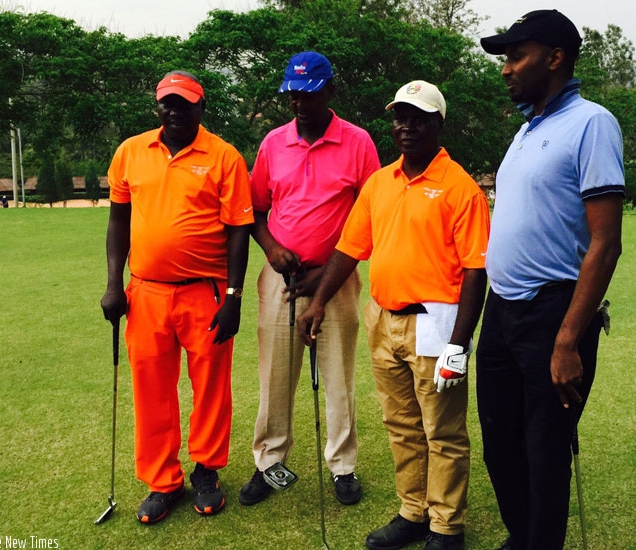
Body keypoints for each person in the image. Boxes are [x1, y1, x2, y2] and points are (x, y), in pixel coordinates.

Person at [297, 80, 491, 550]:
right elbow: (348, 249)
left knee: (441, 431)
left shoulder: (460, 188)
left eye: (418, 118)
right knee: (401, 425)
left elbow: (475, 271)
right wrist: (319, 300)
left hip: (436, 322)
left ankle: (446, 526)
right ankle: (413, 510)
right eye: (400, 117)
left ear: (438, 124)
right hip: (382, 319)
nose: (407, 127)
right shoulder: (380, 182)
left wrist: (459, 345)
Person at [477, 10, 624, 550]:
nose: (506, 69)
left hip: (553, 312)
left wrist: (568, 338)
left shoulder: (592, 123)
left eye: (517, 57)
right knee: (500, 444)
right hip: (503, 308)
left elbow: (606, 241)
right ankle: (524, 537)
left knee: (544, 451)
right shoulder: (526, 129)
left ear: (555, 58)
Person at [100, 70, 253, 524]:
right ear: (158, 107)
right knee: (152, 389)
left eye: (184, 103)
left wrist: (234, 296)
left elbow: (239, 231)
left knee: (210, 388)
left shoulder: (224, 156)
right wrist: (113, 283)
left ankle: (206, 469)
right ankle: (162, 480)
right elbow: (117, 222)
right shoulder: (131, 151)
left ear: (201, 108)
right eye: (168, 102)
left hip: (204, 292)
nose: (175, 110)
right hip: (145, 292)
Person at [238, 51, 380, 508]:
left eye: (309, 93)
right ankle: (269, 462)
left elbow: (372, 216)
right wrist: (272, 248)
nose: (300, 102)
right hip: (281, 277)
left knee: (338, 376)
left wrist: (329, 271)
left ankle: (342, 465)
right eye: (293, 94)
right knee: (276, 375)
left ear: (330, 91)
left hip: (336, 278)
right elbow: (256, 210)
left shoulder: (358, 143)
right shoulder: (273, 143)